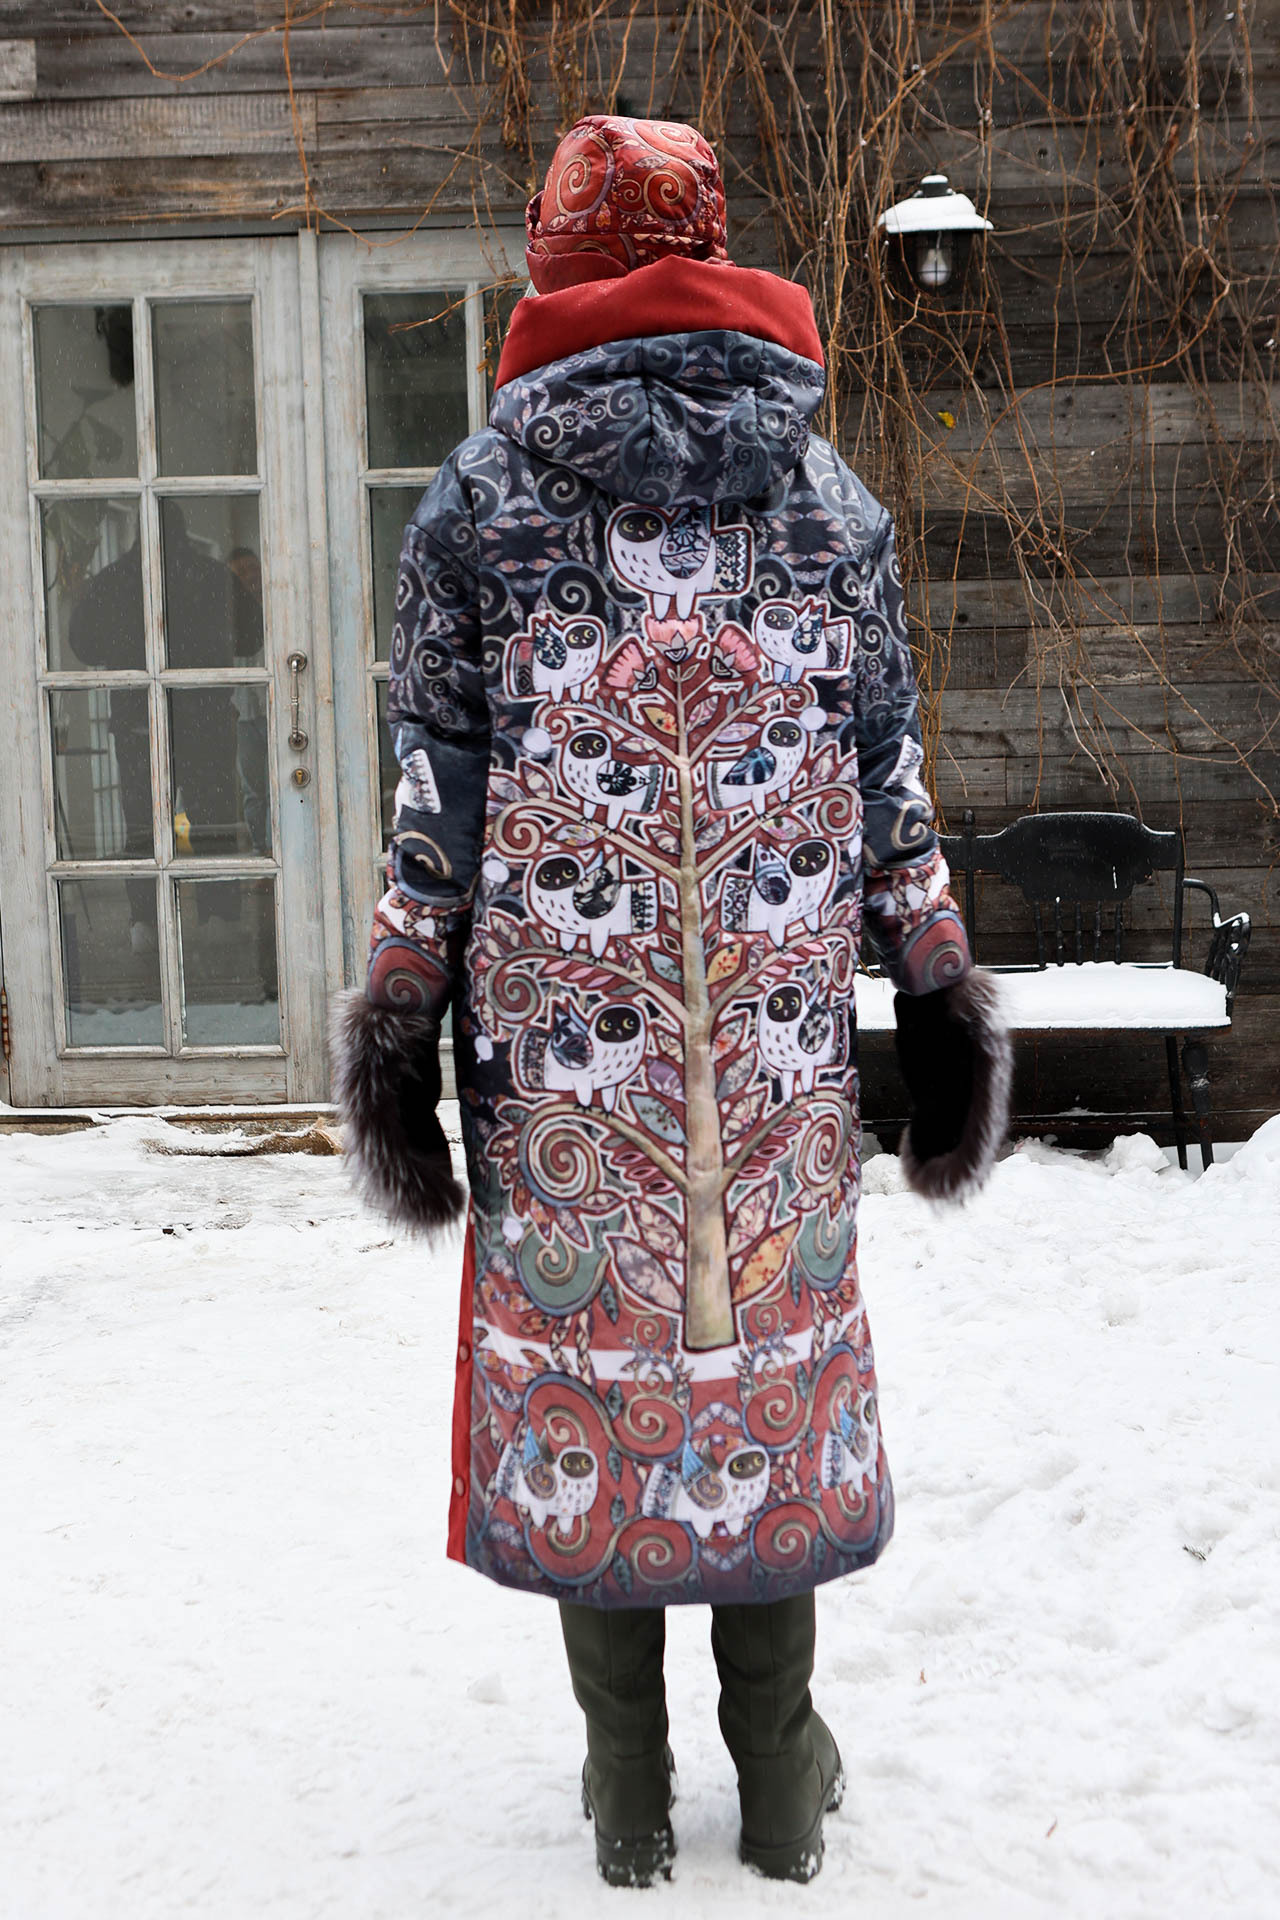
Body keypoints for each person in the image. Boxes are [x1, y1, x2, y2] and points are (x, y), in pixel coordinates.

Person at [333, 115, 1012, 1887]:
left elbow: (437, 796)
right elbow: (888, 777)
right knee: (757, 1368)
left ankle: (626, 1787)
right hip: (775, 1054)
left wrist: (401, 1004)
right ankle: (779, 1778)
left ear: (557, 264)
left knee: (603, 1368)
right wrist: (934, 975)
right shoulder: (828, 500)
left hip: (566, 1052)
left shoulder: (478, 504)